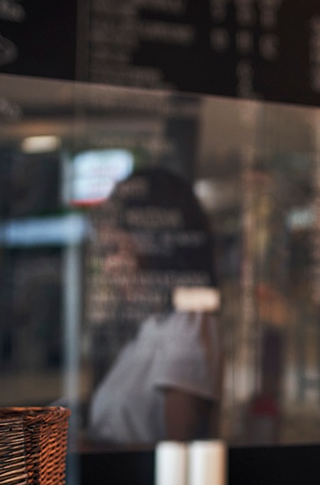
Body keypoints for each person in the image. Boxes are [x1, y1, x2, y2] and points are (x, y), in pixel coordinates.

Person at [85, 167, 222, 445]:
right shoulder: (153, 323)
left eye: (114, 250)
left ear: (156, 245)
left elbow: (179, 457)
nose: (109, 267)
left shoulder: (189, 322)